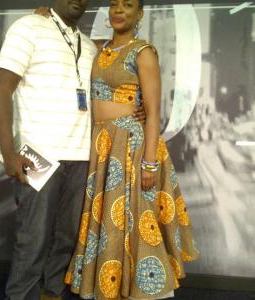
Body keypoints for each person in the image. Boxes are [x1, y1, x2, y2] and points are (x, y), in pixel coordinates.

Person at [44, 0, 199, 299]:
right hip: (102, 145)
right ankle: (108, 285)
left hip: (131, 146)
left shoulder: (143, 52)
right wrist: (44, 14)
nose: (118, 10)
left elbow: (153, 112)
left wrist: (150, 164)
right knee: (108, 220)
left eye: (127, 5)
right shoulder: (98, 49)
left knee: (134, 219)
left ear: (139, 14)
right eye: (114, 4)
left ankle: (141, 290)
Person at [0, 1, 144, 299]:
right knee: (33, 241)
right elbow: (2, 89)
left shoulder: (87, 45)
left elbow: (99, 96)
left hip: (81, 156)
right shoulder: (28, 27)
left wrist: (132, 110)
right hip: (39, 154)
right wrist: (9, 153)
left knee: (67, 240)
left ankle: (50, 294)